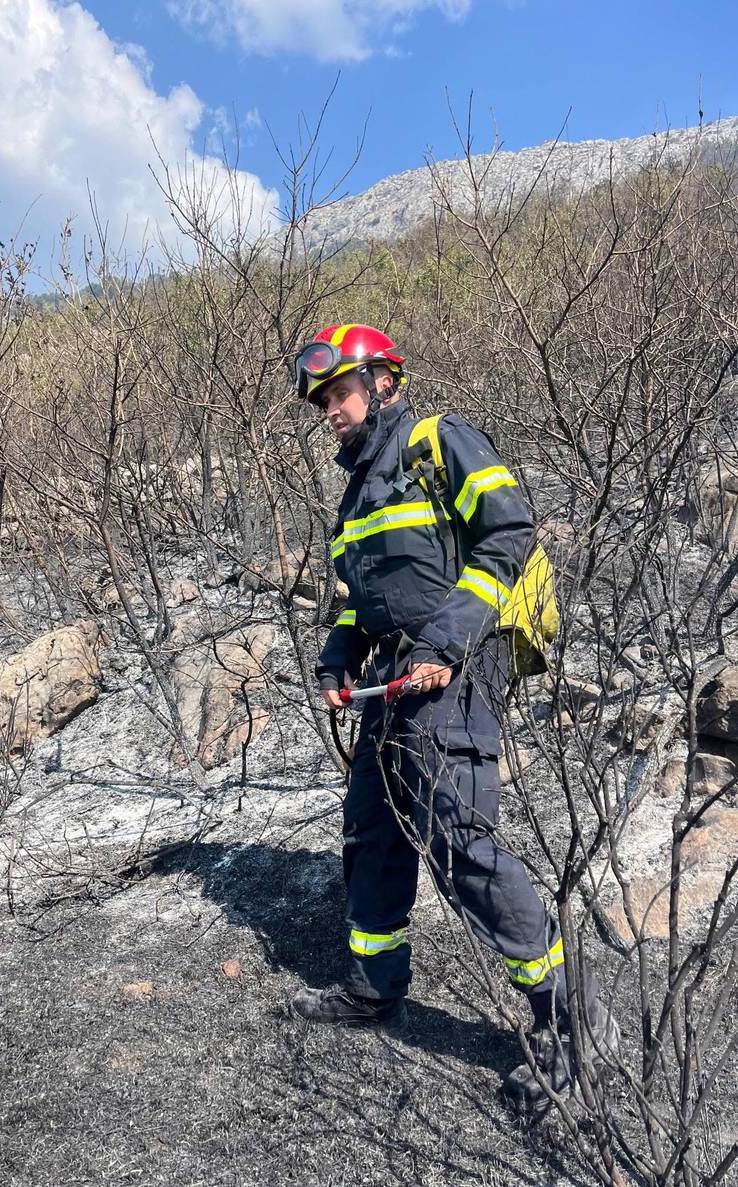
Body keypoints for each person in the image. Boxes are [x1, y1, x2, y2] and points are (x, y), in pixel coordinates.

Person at [288, 323, 619, 1116]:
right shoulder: (356, 495)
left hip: (460, 660)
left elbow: (509, 533)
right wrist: (336, 659)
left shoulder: (440, 443)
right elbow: (358, 603)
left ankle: (574, 1021)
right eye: (322, 401)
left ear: (384, 384)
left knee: (458, 836)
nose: (331, 411)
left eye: (340, 393)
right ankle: (374, 985)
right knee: (372, 825)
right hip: (393, 673)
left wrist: (445, 641)